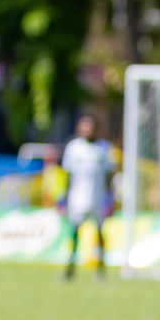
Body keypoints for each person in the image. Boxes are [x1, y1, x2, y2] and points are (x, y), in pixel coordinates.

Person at [60, 114, 118, 279]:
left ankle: (101, 270)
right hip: (77, 199)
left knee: (99, 233)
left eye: (90, 126)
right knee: (74, 232)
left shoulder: (104, 148)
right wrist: (63, 198)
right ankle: (69, 270)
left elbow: (109, 176)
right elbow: (67, 175)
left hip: (98, 199)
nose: (87, 130)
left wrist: (111, 198)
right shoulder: (73, 147)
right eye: (84, 126)